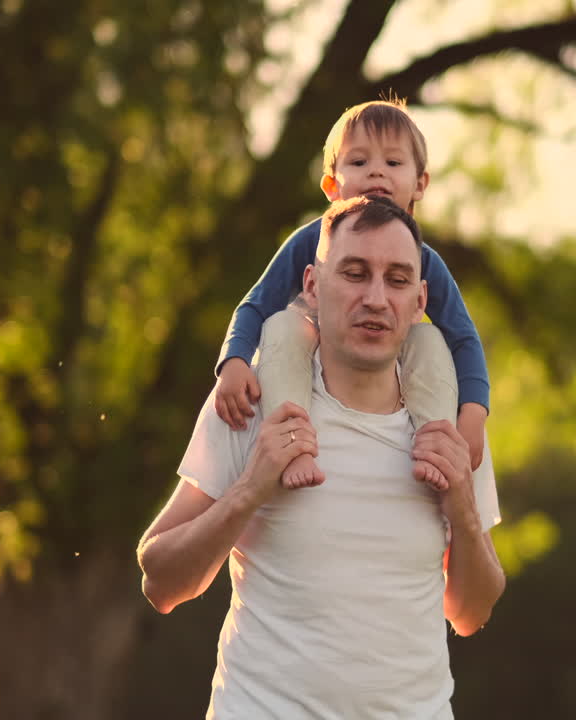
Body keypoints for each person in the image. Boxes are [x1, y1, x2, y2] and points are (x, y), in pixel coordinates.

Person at [138, 195, 506, 719]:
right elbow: (159, 581)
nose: (376, 298)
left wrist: (463, 510)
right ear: (311, 284)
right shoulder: (252, 403)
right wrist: (248, 491)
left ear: (421, 299)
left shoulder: (450, 423)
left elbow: (470, 613)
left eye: (397, 280)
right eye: (355, 273)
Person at [213, 98, 490, 492]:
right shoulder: (310, 242)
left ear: (420, 183)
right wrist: (234, 361)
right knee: (283, 324)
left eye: (393, 163)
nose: (376, 170)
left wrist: (474, 414)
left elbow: (464, 337)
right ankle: (294, 444)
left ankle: (434, 448)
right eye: (359, 163)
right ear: (331, 184)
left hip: (388, 354)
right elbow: (257, 304)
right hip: (313, 349)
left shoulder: (424, 260)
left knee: (430, 339)